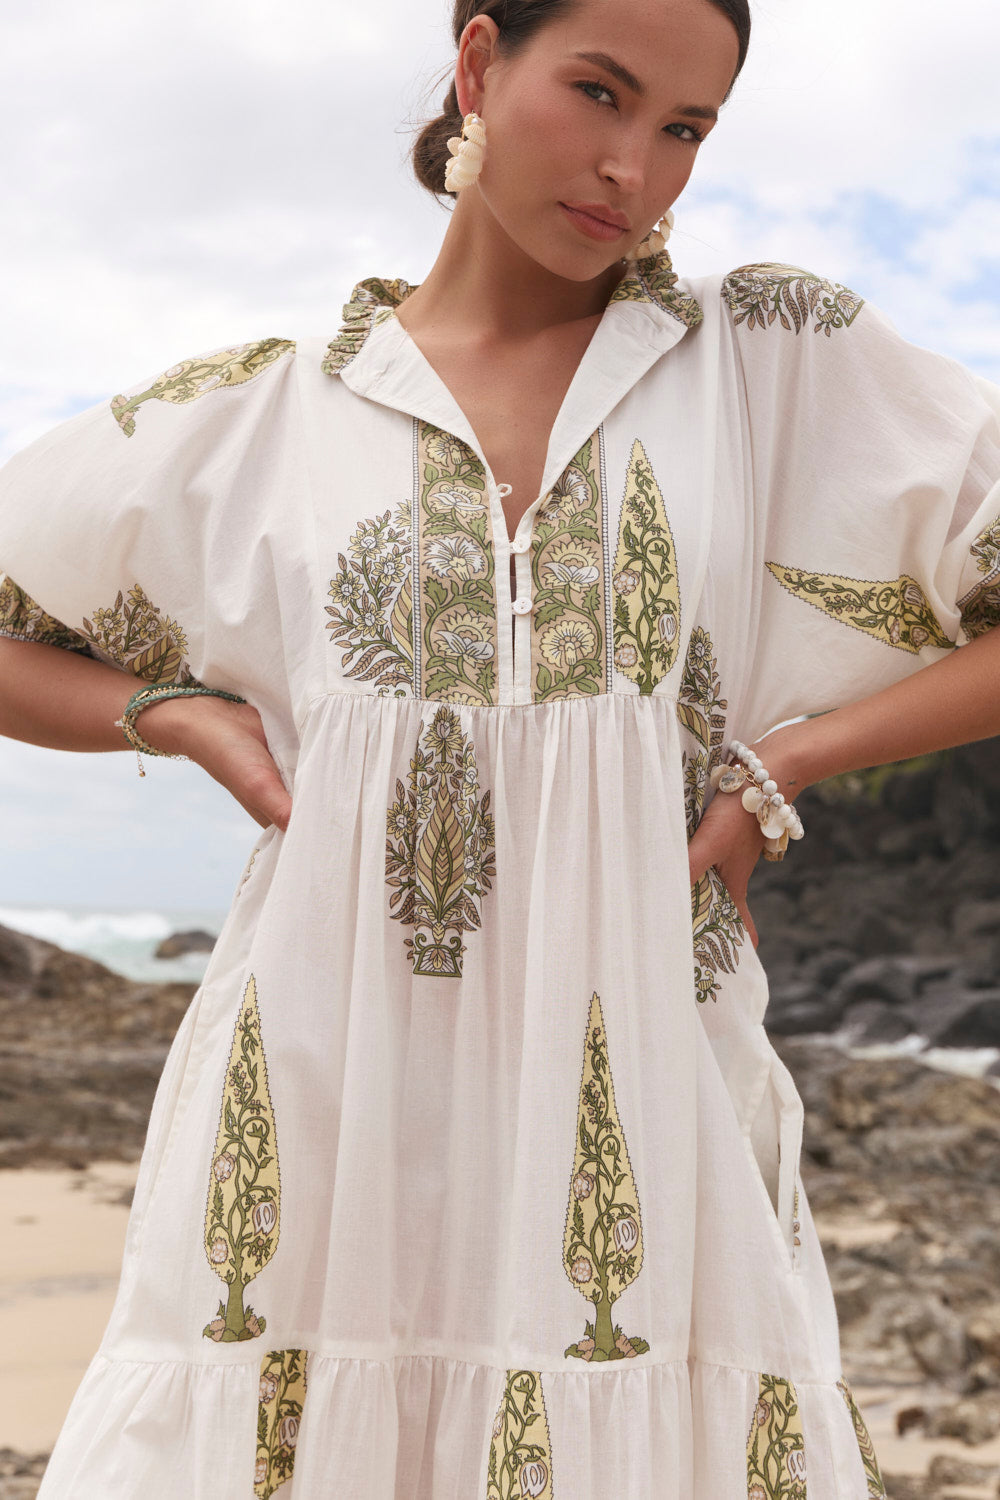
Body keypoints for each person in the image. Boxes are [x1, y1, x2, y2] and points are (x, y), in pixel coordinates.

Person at [2, 0, 1000, 1493]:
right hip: (320, 1139)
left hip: (644, 1139)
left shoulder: (768, 363)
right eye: (599, 92)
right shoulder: (259, 415)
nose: (632, 169)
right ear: (479, 66)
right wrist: (173, 715)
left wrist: (790, 761)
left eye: (683, 130)